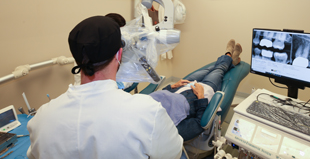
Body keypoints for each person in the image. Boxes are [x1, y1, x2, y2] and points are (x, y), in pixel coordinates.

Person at [27, 16, 183, 159]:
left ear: (76, 57)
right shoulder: (148, 113)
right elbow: (173, 153)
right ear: (119, 54)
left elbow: (33, 154)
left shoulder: (41, 118)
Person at [150, 39, 242, 141]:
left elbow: (159, 96)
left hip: (181, 87)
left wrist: (171, 87)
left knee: (210, 68)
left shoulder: (142, 107)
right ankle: (228, 55)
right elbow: (199, 124)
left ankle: (231, 60)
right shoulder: (169, 131)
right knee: (219, 69)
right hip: (202, 91)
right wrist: (201, 97)